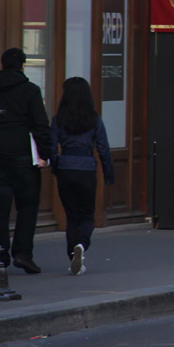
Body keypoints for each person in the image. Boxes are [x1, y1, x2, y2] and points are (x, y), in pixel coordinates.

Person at [0, 48, 52, 274]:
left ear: (3, 64)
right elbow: (40, 124)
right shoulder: (30, 90)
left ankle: (0, 254)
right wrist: (45, 153)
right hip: (24, 156)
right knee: (27, 206)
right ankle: (23, 253)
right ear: (23, 65)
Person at [50, 77, 114, 275]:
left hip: (66, 167)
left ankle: (73, 256)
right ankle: (82, 245)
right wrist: (108, 173)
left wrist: (56, 167)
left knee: (71, 217)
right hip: (86, 168)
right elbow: (103, 148)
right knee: (87, 216)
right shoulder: (94, 119)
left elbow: (52, 147)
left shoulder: (58, 119)